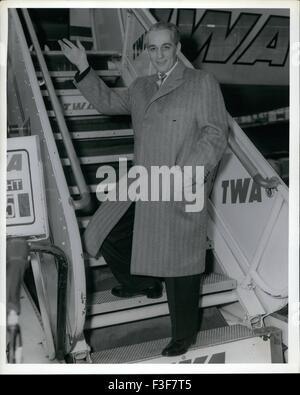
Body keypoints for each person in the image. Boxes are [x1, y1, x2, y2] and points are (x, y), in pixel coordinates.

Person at [58, 21, 228, 357]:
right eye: (153, 48)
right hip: (143, 182)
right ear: (147, 52)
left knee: (180, 263)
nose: (160, 54)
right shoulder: (141, 86)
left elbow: (214, 133)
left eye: (167, 47)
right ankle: (143, 281)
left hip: (181, 182)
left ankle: (184, 334)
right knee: (102, 231)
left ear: (178, 49)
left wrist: (186, 174)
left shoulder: (200, 82)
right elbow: (108, 103)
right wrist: (83, 68)